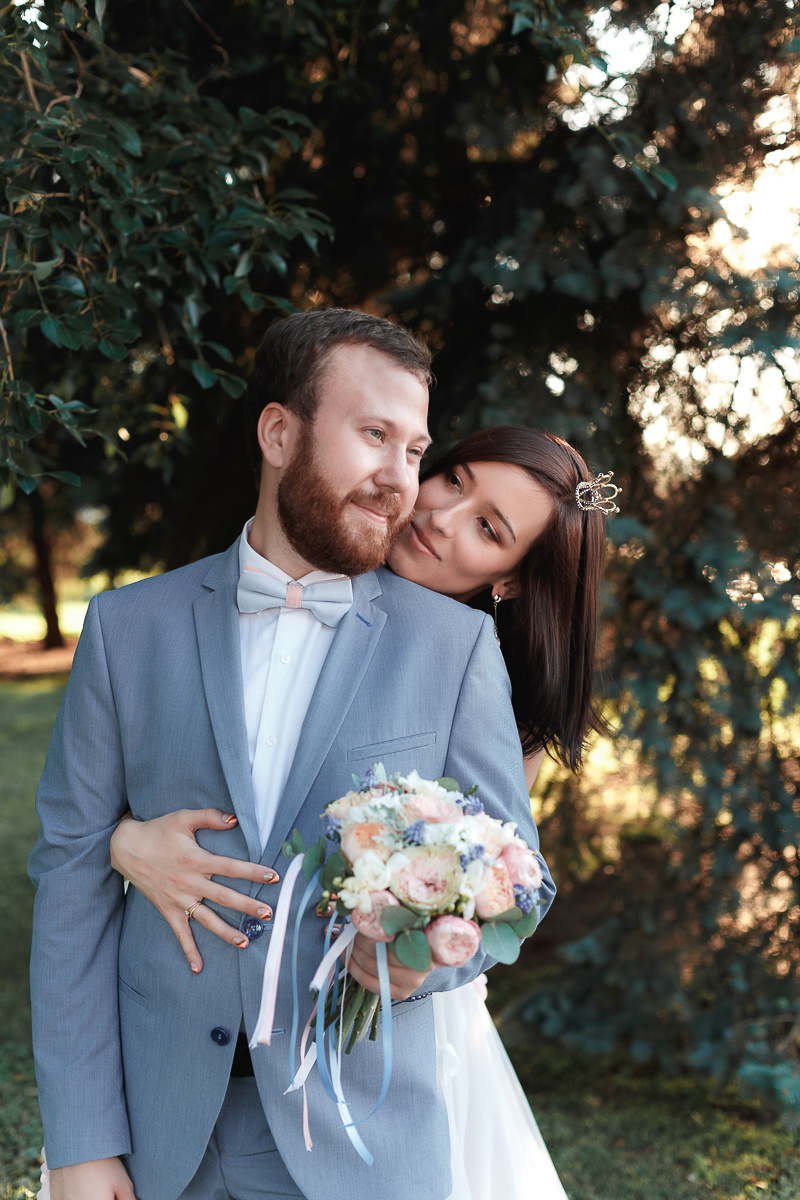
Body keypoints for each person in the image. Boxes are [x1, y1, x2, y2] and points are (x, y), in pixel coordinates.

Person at [28, 308, 556, 1200]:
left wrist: (431, 954)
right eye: (375, 436)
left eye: (414, 450)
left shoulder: (453, 651)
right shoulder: (128, 628)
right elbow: (69, 883)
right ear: (279, 431)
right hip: (157, 1145)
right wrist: (81, 1139)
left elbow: (522, 879)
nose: (401, 482)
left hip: (361, 1146)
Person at [105, 424, 614, 1200]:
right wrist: (124, 839)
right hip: (187, 1053)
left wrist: (415, 960)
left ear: (510, 578)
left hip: (383, 1041)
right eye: (454, 481)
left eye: (487, 528)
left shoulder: (473, 667)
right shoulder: (255, 588)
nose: (441, 516)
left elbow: (508, 879)